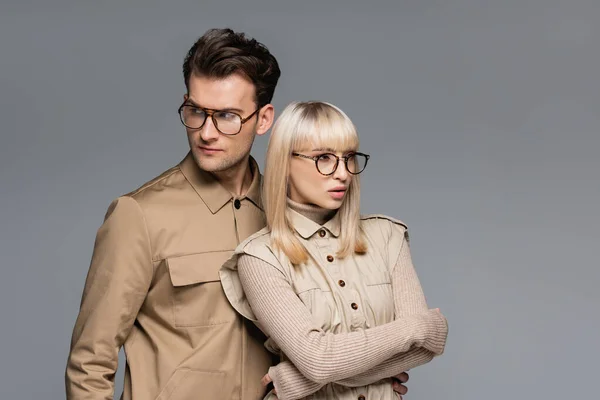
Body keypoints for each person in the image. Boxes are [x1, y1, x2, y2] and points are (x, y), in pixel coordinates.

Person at [65, 28, 282, 400]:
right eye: (196, 111)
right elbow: (90, 363)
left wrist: (372, 373)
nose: (206, 132)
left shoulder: (286, 213)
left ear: (263, 120)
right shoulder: (137, 215)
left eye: (227, 116)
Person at [220, 101, 449, 400]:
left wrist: (298, 380)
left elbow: (425, 348)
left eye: (349, 158)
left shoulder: (387, 236)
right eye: (324, 158)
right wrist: (418, 327)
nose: (343, 173)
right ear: (285, 162)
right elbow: (317, 360)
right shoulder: (260, 257)